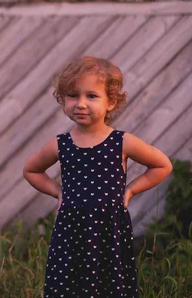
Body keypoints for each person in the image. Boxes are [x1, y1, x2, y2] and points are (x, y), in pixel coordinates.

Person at [23, 56, 173, 297]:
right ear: (64, 101)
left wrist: (131, 189)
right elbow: (31, 170)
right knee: (69, 284)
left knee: (108, 285)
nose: (81, 103)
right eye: (73, 95)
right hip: (71, 232)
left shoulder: (122, 142)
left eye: (91, 96)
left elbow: (162, 165)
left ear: (111, 102)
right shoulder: (60, 145)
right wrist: (58, 192)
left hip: (108, 232)